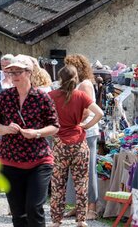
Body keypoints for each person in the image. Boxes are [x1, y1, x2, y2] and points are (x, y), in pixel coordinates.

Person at [0, 54, 60, 227]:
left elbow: (54, 126)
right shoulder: (4, 97)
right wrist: (6, 129)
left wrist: (36, 133)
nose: (14, 76)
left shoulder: (42, 98)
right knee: (18, 213)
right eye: (11, 72)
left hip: (39, 161)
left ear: (29, 73)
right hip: (11, 160)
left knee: (34, 208)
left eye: (18, 72)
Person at [48, 65, 103, 227]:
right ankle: (81, 219)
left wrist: (52, 130)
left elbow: (41, 115)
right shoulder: (80, 95)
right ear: (76, 79)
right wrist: (84, 125)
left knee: (58, 183)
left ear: (60, 78)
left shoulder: (51, 95)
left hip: (60, 144)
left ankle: (56, 221)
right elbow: (99, 112)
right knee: (81, 183)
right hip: (79, 143)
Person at [63, 54, 103, 221]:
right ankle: (78, 207)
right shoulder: (79, 84)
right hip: (77, 132)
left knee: (88, 170)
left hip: (87, 132)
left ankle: (92, 208)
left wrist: (75, 123)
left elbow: (86, 110)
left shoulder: (85, 84)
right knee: (75, 170)